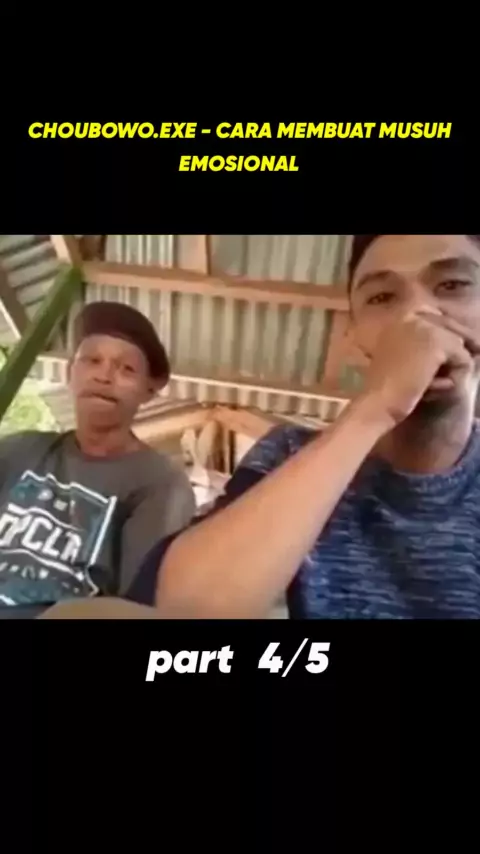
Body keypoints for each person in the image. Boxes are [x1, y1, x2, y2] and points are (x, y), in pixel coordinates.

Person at [126, 234, 480, 619]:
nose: (417, 314)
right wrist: (375, 407)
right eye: (382, 297)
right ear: (353, 337)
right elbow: (183, 607)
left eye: (452, 285)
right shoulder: (289, 453)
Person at [0, 301, 195, 619]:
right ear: (70, 373)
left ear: (148, 391)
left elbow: (138, 605)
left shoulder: (160, 484)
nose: (104, 376)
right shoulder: (19, 449)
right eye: (92, 360)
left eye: (126, 369)